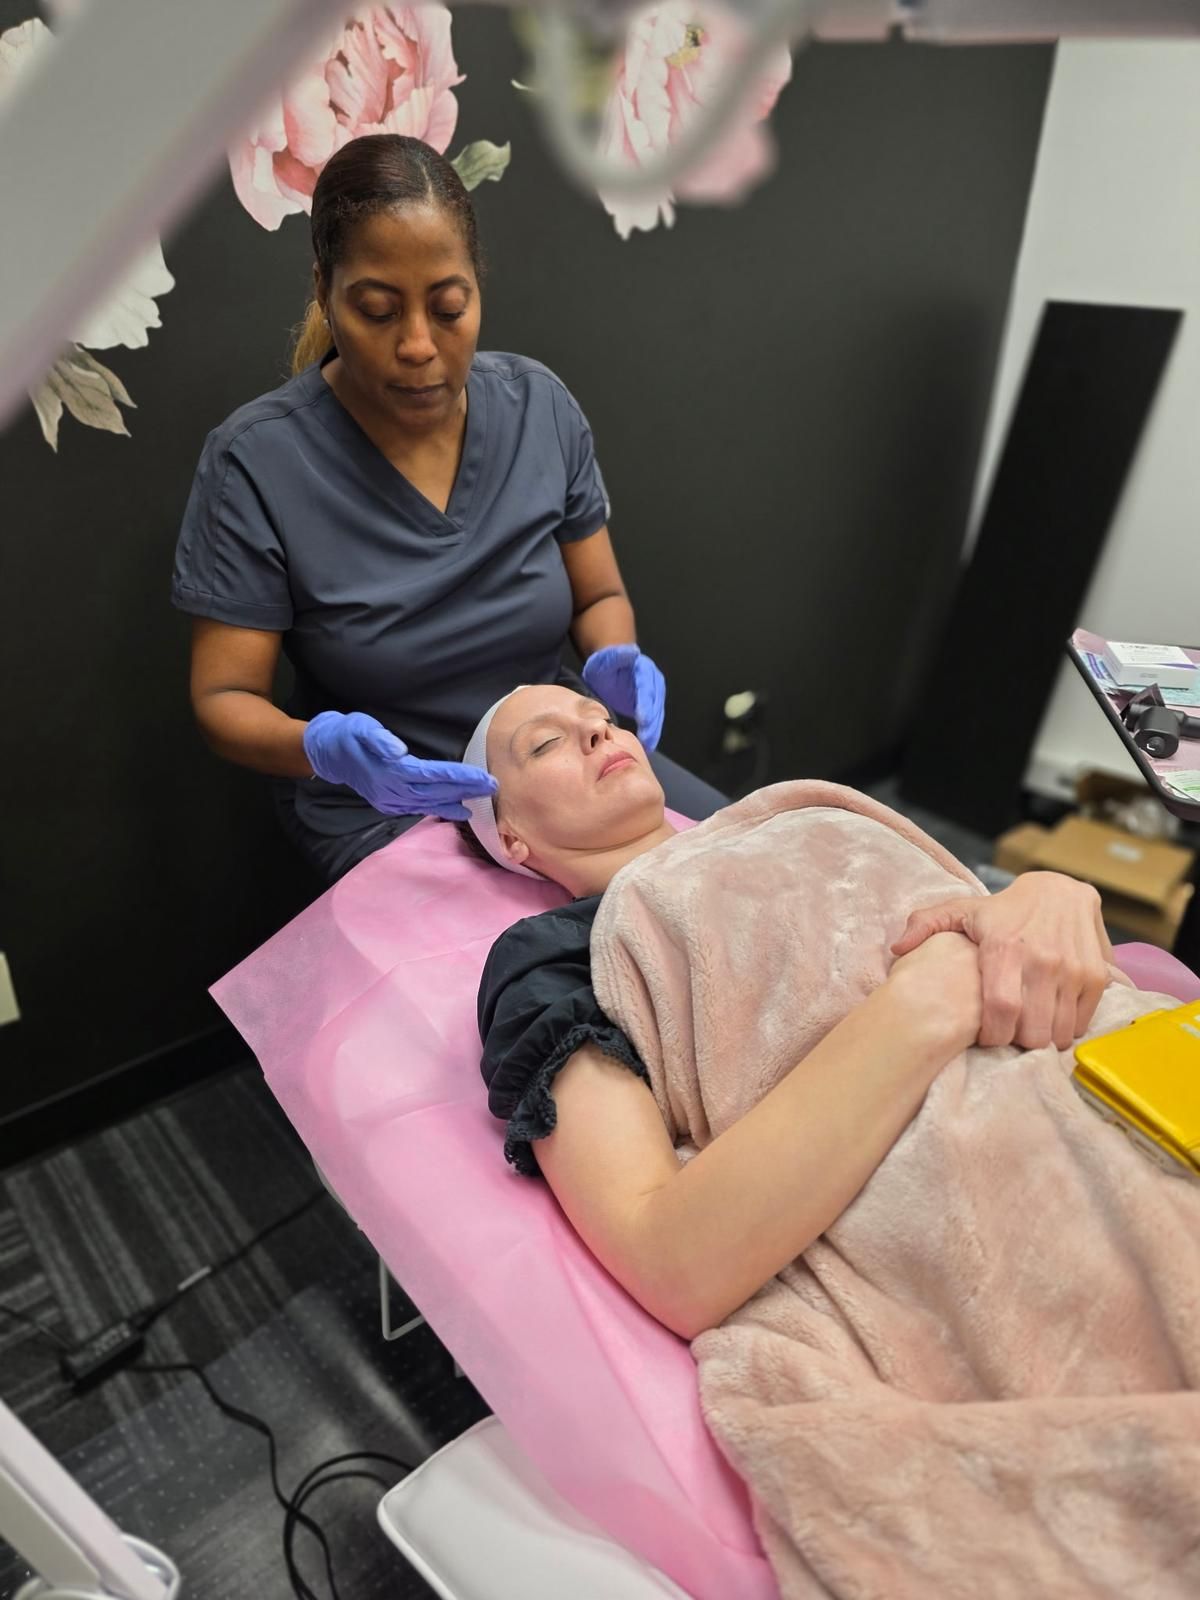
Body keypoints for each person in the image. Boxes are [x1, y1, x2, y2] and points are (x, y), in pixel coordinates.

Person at [467, 683, 1115, 1338]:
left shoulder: (790, 815)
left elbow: (962, 909)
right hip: (1008, 1168)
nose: (598, 732)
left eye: (602, 717)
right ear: (511, 836)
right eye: (545, 744)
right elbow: (667, 1260)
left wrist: (1047, 893)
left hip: (1117, 1043)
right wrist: (928, 998)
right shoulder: (555, 959)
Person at [172, 134, 723, 884]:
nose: (418, 345)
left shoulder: (537, 408)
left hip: (559, 774)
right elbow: (225, 698)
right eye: (377, 311)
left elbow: (598, 595)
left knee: (747, 877)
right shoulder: (257, 463)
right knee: (554, 958)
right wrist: (323, 751)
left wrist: (610, 661)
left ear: (476, 289)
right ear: (326, 292)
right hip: (389, 807)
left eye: (449, 308)